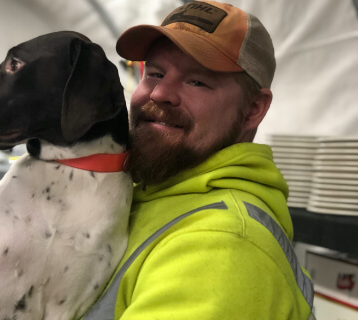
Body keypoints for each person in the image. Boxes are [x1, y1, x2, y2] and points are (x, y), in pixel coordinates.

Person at [83, 1, 314, 319]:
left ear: (253, 109)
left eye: (197, 81)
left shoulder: (222, 245)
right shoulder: (147, 195)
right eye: (154, 72)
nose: (160, 92)